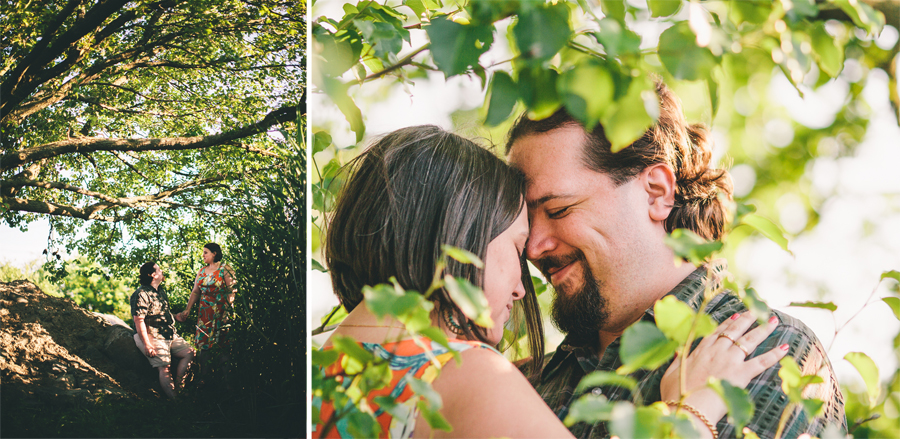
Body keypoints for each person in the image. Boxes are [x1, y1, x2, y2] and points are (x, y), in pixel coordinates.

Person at [312, 125, 789, 439]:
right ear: (460, 240)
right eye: (516, 245)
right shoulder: (465, 374)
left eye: (559, 210)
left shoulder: (319, 372)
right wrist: (694, 411)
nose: (525, 281)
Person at [505, 80, 847, 439]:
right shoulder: (524, 386)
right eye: (525, 222)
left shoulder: (766, 350)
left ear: (656, 192)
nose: (533, 248)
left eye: (558, 210)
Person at [131, 262, 194, 400]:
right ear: (152, 275)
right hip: (152, 335)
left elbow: (161, 313)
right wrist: (147, 344)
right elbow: (139, 321)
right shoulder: (141, 294)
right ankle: (176, 402)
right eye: (159, 269)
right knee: (165, 367)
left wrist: (176, 317)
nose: (162, 271)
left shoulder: (160, 291)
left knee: (189, 352)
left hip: (168, 333)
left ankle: (179, 389)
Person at [176, 243, 235, 386]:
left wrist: (228, 311)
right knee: (204, 346)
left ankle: (227, 382)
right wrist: (188, 309)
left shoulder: (225, 269)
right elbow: (195, 292)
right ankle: (204, 379)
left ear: (214, 253)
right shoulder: (202, 271)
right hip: (204, 314)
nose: (203, 255)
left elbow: (232, 291)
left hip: (221, 312)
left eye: (205, 252)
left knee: (223, 346)